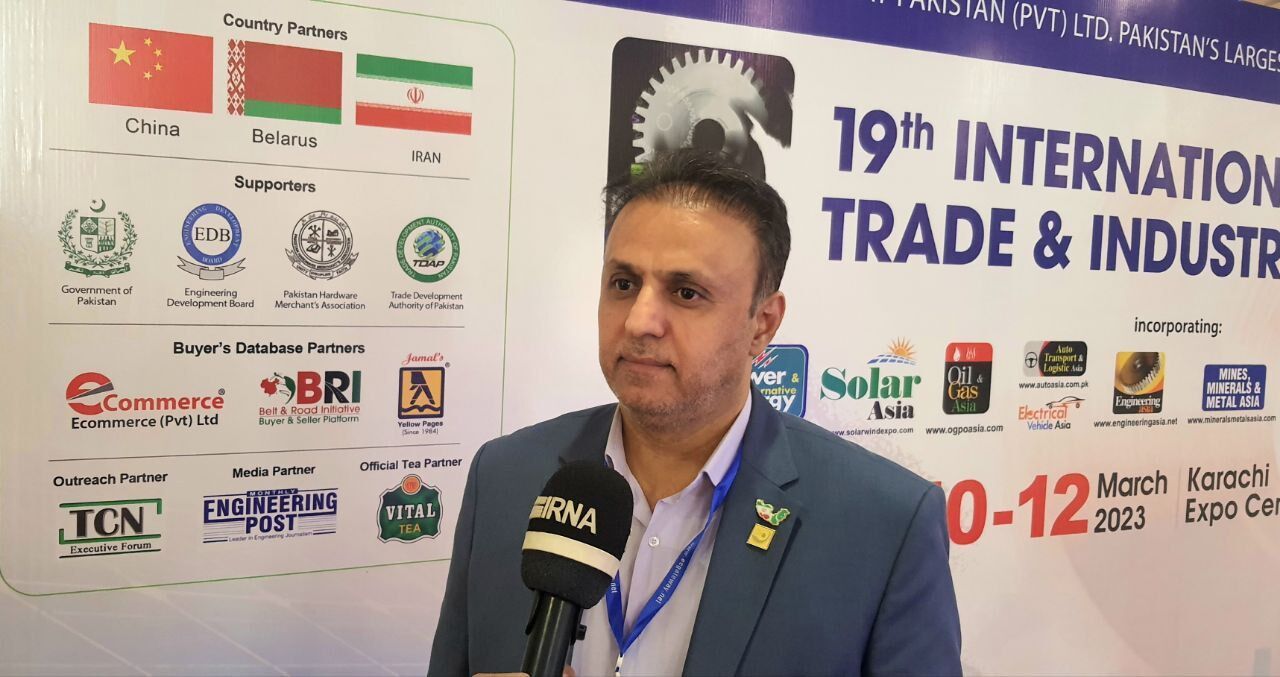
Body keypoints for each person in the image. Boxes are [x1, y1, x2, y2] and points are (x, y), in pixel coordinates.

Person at [428, 149, 961, 676]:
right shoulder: (505, 476)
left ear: (762, 325)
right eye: (623, 284)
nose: (639, 321)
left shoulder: (886, 524)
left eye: (686, 293)